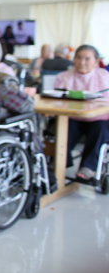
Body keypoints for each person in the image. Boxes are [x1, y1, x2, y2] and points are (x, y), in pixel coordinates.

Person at [54, 45, 109, 180]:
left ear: (96, 62)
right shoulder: (63, 77)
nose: (82, 62)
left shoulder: (104, 77)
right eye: (78, 58)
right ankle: (61, 163)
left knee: (100, 129)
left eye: (87, 59)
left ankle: (88, 167)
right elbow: (55, 98)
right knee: (64, 127)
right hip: (71, 117)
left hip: (98, 119)